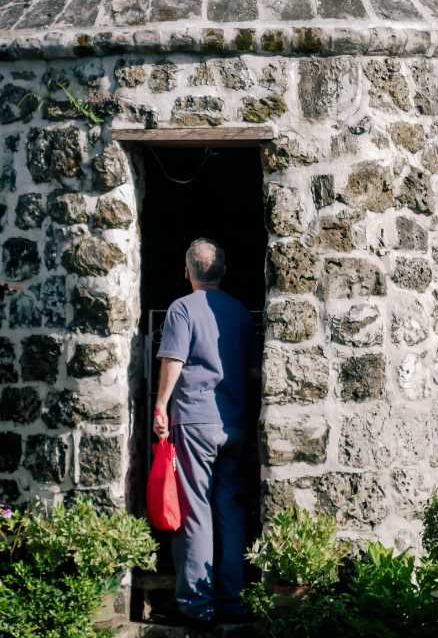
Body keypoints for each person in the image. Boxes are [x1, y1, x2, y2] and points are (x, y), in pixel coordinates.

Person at [154, 237, 261, 629]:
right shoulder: (239, 313)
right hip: (233, 422)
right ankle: (232, 601)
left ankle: (198, 605)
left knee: (195, 511)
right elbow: (253, 372)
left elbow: (174, 360)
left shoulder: (182, 309)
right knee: (230, 510)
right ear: (224, 272)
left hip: (195, 422)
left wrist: (161, 405)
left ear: (187, 272)